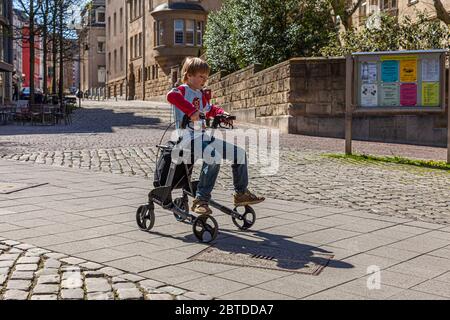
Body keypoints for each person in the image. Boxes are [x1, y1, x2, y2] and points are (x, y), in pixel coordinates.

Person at [167, 57, 265, 215]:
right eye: (201, 76)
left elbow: (210, 109)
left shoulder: (200, 94)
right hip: (186, 138)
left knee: (239, 154)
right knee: (213, 157)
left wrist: (221, 114)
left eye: (206, 77)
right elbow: (171, 96)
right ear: (189, 75)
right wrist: (191, 111)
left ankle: (241, 194)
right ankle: (201, 200)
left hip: (202, 136)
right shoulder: (183, 90)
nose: (204, 80)